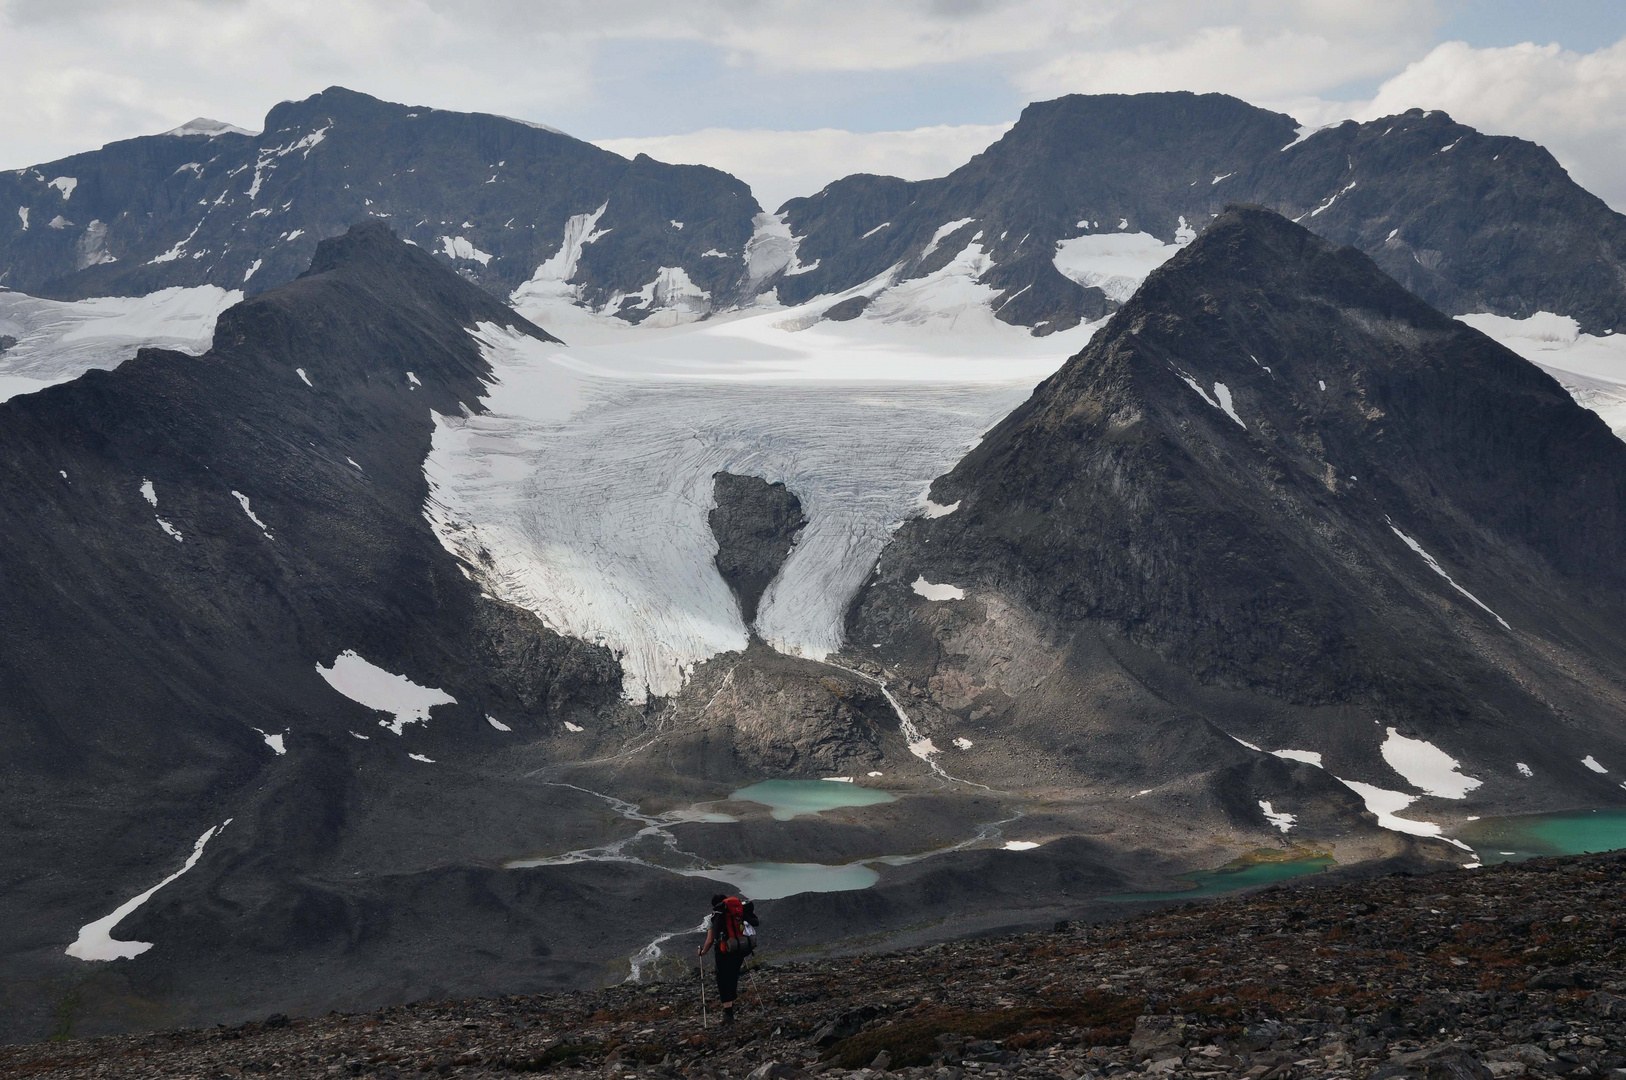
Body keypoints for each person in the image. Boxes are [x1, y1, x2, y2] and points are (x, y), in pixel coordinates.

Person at [698, 893, 752, 1024]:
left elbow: (710, 939)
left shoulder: (716, 916)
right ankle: (731, 1005)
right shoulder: (737, 913)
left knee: (723, 980)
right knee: (733, 976)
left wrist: (703, 952)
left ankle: (728, 1014)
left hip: (723, 951)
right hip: (739, 949)